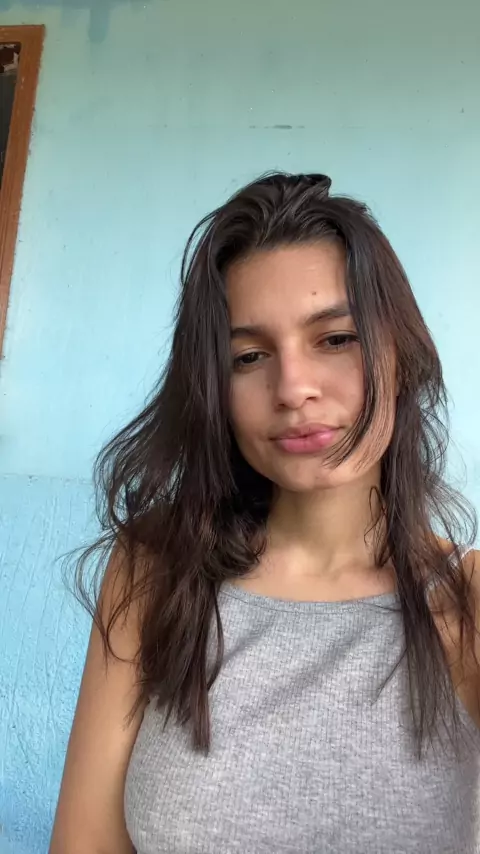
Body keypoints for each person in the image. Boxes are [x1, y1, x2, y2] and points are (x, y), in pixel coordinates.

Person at [50, 173, 480, 854]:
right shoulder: (154, 572)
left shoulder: (466, 604)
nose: (293, 387)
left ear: (400, 353)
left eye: (335, 339)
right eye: (249, 356)